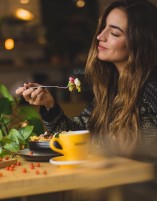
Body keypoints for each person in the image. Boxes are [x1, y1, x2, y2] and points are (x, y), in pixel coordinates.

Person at [16, 0, 157, 158]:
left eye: (115, 33)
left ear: (140, 41)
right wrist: (49, 105)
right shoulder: (111, 87)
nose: (100, 36)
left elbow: (147, 154)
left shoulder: (151, 89)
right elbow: (78, 134)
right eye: (103, 27)